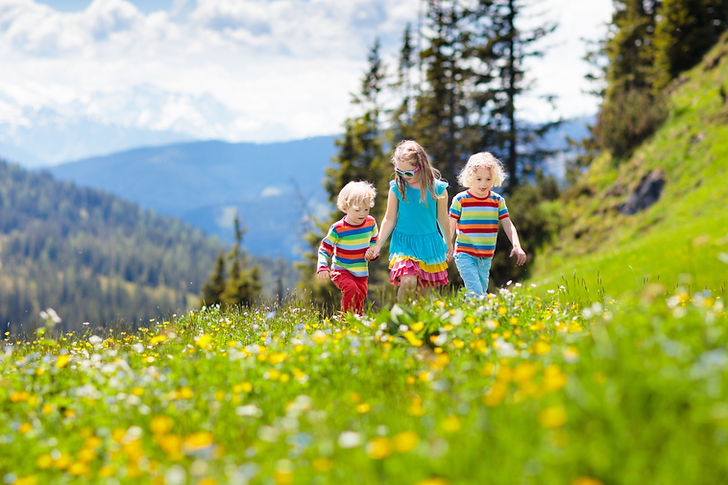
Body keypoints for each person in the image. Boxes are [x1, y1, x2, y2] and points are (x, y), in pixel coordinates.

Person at [366, 140, 451, 302]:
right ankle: (401, 316)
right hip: (403, 242)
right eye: (399, 172)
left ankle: (418, 323)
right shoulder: (397, 187)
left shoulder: (438, 189)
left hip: (429, 243)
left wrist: (449, 243)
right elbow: (389, 219)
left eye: (409, 173)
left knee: (424, 295)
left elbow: (442, 219)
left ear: (421, 166)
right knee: (408, 281)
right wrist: (377, 244)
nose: (404, 176)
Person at [447, 152, 527, 296]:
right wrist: (448, 244)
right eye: (479, 179)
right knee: (476, 293)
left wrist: (517, 245)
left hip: (486, 256)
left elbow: (508, 224)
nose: (483, 184)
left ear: (495, 178)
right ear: (470, 177)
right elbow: (451, 225)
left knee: (479, 292)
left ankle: (472, 317)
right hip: (465, 254)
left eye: (488, 179)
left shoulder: (497, 201)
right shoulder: (461, 200)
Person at [317, 181, 379, 315]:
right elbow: (324, 248)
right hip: (341, 269)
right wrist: (322, 266)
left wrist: (372, 252)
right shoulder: (338, 228)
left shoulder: (371, 223)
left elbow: (375, 241)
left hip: (361, 272)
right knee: (351, 290)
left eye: (366, 209)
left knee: (360, 298)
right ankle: (346, 320)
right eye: (357, 210)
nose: (362, 213)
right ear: (345, 207)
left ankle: (356, 324)